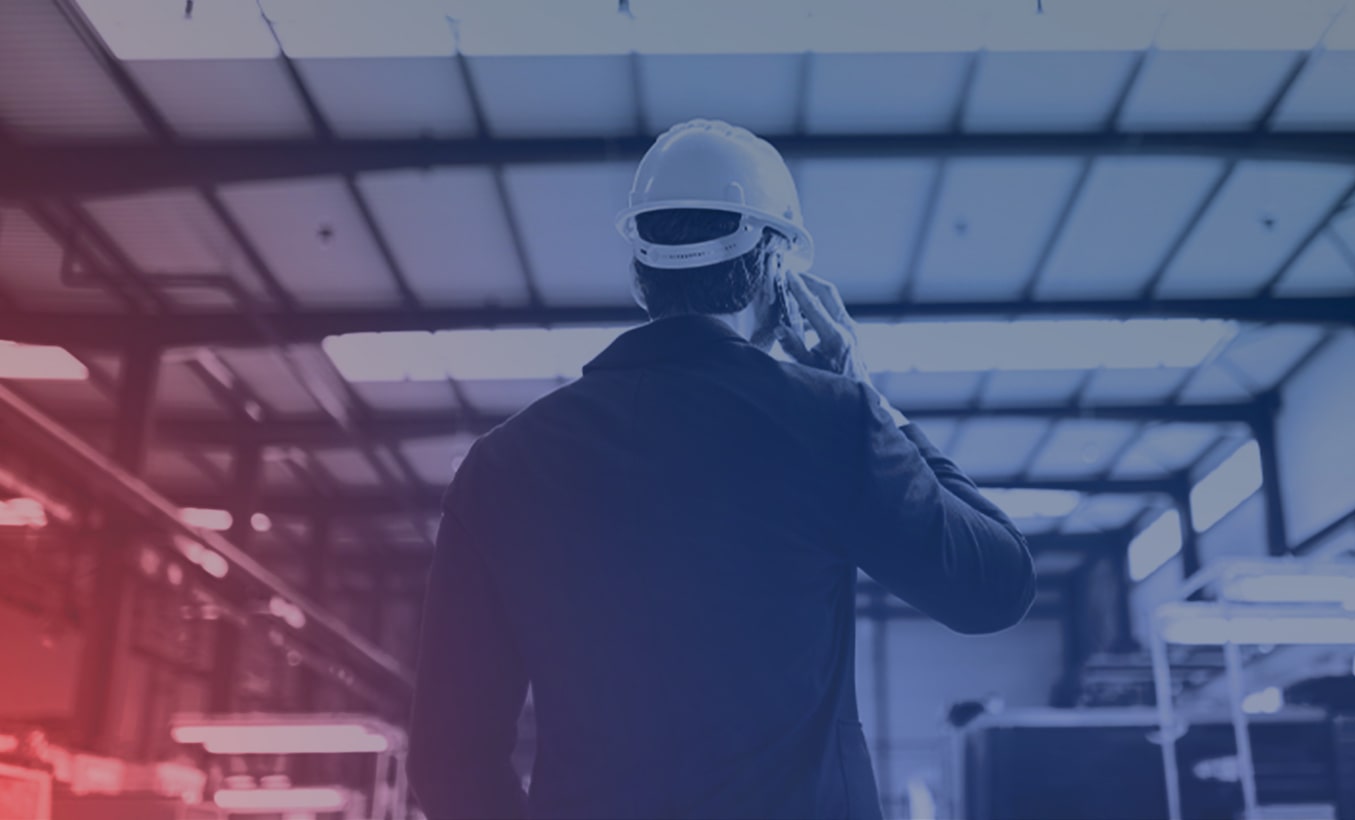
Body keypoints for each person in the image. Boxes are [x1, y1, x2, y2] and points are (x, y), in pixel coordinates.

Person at [407, 119, 1036, 820]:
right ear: (774, 268)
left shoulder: (501, 469)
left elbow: (449, 762)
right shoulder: (831, 424)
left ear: (642, 276)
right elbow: (996, 586)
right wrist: (864, 391)